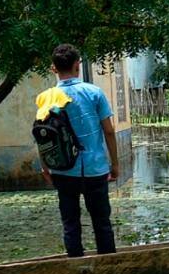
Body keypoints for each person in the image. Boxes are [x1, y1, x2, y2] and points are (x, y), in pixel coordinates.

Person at [37, 44, 119, 257]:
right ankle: (109, 264)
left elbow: (41, 135)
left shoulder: (46, 97)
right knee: (101, 222)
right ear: (77, 65)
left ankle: (75, 264)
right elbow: (109, 132)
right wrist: (115, 164)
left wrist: (45, 166)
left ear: (53, 68)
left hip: (63, 170)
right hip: (95, 168)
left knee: (70, 222)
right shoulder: (94, 93)